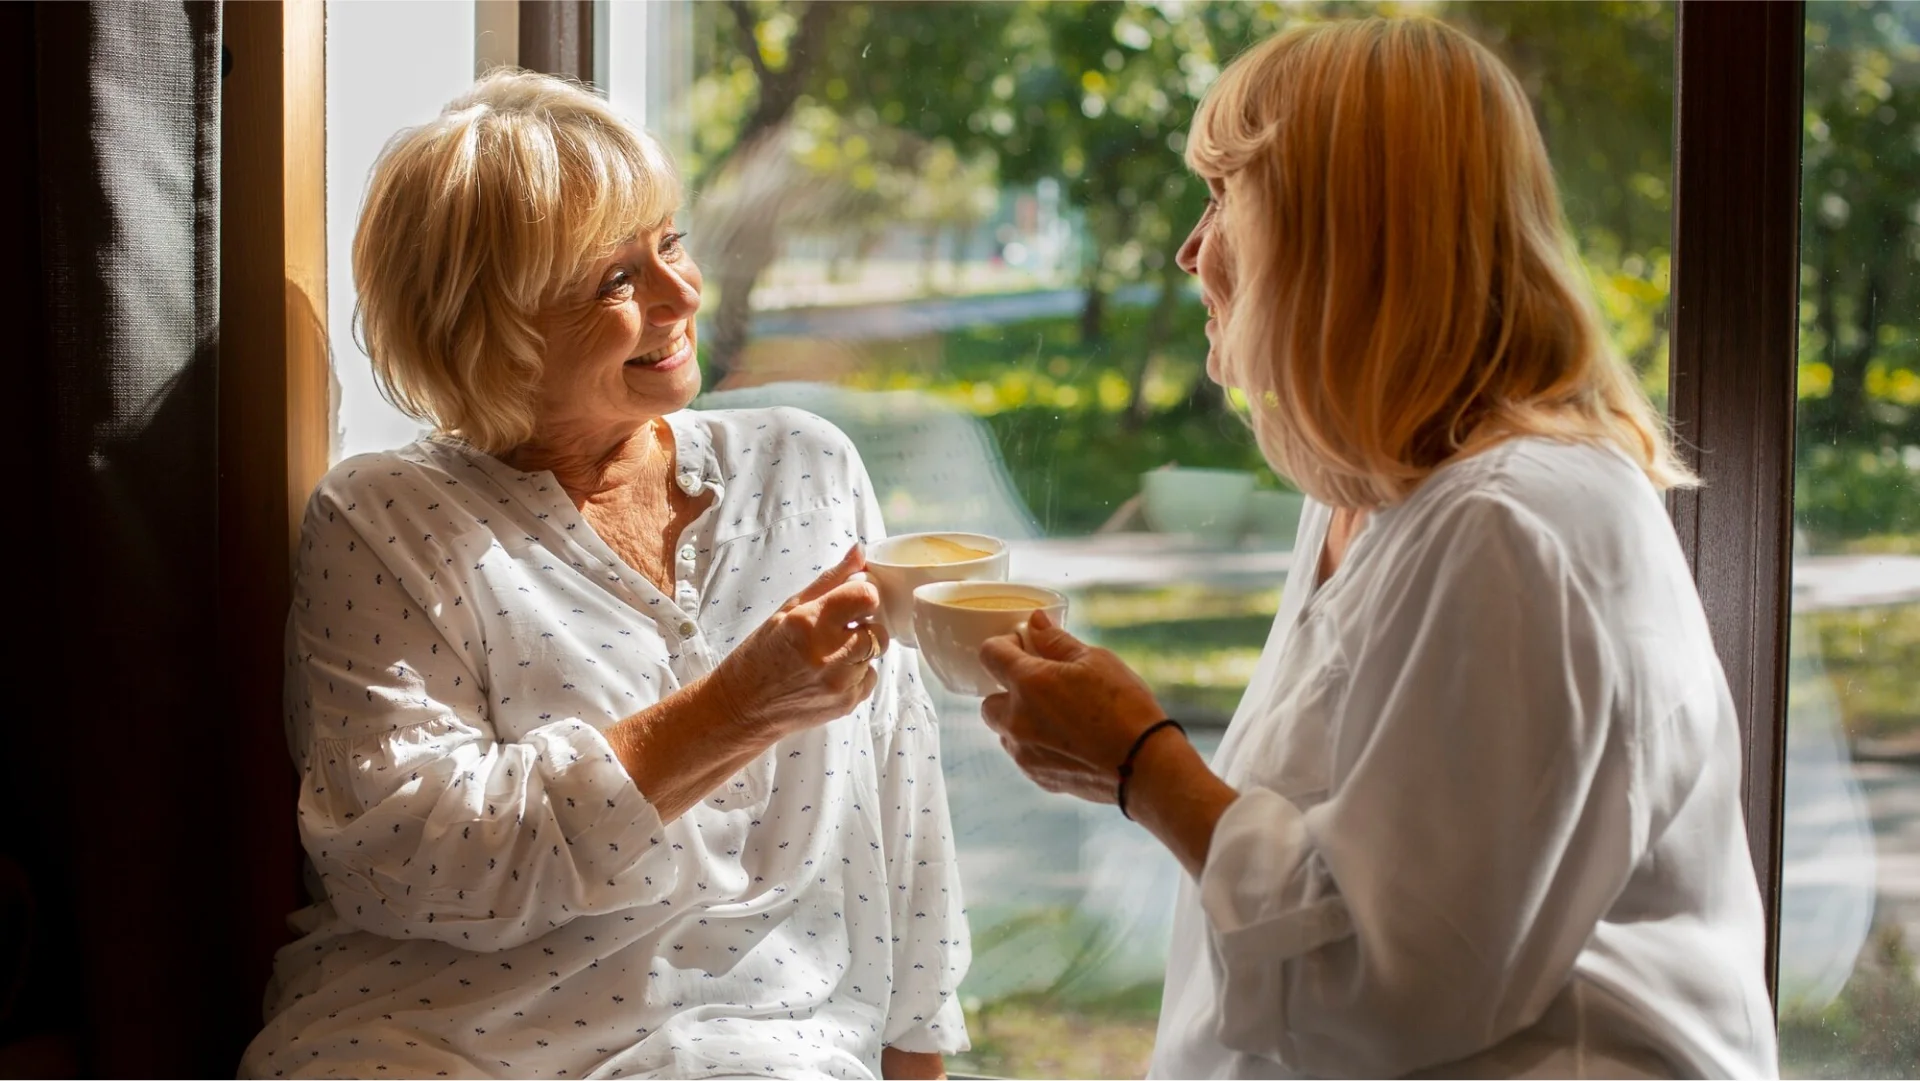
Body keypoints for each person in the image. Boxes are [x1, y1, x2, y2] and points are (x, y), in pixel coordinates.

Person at [977, 18, 1779, 1079]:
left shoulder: (1515, 525)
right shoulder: (1369, 497)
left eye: (1223, 197)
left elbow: (1403, 989)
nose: (1190, 249)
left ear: (1336, 234)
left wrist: (1143, 765)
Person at [240, 71, 968, 1080]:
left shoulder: (806, 468)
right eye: (614, 280)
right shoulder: (384, 519)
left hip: (749, 1042)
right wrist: (732, 711)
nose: (681, 293)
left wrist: (917, 1050)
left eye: (670, 242)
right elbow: (405, 862)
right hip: (429, 1036)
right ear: (482, 323)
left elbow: (903, 800)